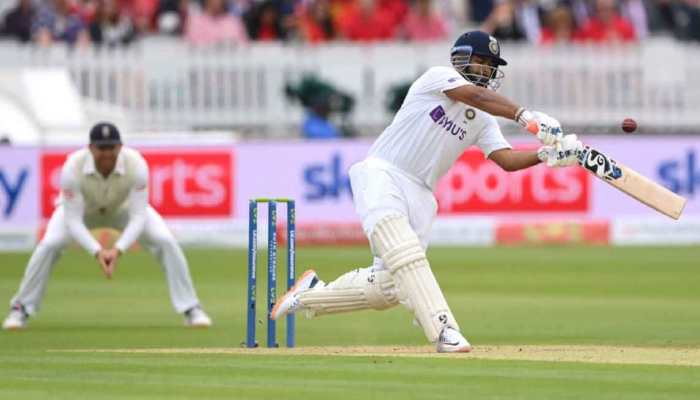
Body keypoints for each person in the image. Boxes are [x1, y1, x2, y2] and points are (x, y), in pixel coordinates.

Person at [270, 30, 582, 353]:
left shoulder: (484, 120)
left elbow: (505, 159)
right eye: (481, 61)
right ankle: (444, 329)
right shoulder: (439, 78)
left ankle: (308, 296)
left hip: (421, 195)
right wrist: (525, 116)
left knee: (389, 287)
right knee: (406, 253)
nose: (486, 70)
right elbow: (476, 96)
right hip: (383, 173)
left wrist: (545, 156)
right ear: (461, 59)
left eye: (491, 65)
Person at [2, 122, 212, 330]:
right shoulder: (72, 167)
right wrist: (97, 251)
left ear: (120, 147)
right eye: (101, 148)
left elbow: (138, 216)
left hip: (123, 210)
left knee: (165, 241)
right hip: (82, 212)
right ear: (91, 148)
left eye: (111, 147)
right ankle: (21, 309)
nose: (106, 154)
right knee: (49, 245)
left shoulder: (136, 164)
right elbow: (73, 220)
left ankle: (191, 308)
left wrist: (118, 249)